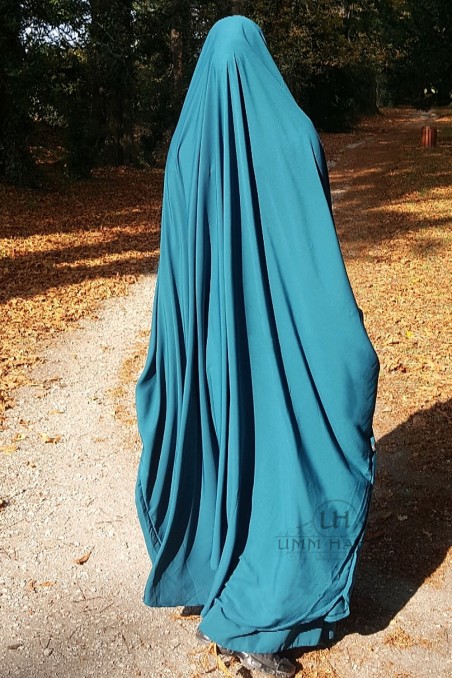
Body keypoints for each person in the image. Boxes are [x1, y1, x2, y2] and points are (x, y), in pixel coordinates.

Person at [135, 15, 379, 678]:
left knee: (221, 448)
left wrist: (182, 354)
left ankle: (224, 578)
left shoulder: (186, 147)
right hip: (279, 354)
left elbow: (177, 280)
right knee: (280, 457)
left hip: (212, 352)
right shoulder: (293, 132)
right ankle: (265, 614)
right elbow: (315, 252)